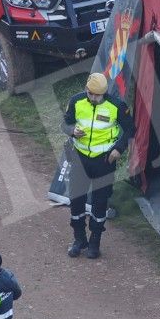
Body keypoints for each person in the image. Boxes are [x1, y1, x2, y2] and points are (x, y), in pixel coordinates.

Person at [62, 72, 133, 259]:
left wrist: (119, 149)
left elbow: (130, 129)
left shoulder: (117, 106)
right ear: (86, 89)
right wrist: (72, 130)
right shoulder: (76, 101)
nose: (93, 98)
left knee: (100, 202)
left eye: (98, 95)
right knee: (76, 200)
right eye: (90, 94)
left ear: (105, 93)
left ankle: (95, 242)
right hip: (80, 158)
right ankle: (79, 239)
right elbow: (65, 124)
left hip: (104, 161)